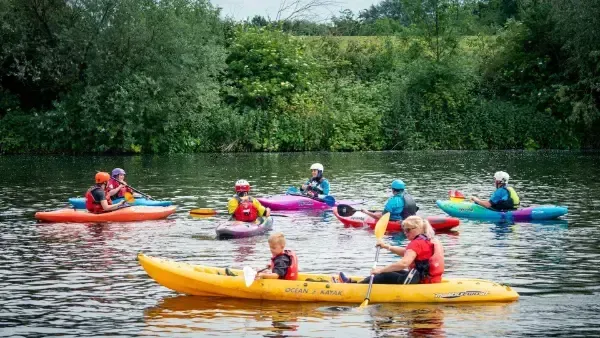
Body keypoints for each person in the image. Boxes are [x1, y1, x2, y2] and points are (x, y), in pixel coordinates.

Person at [338, 216, 444, 284]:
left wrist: (381, 270)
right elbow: (406, 252)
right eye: (404, 230)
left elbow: (404, 263)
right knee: (391, 271)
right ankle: (358, 282)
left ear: (418, 229)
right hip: (424, 277)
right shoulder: (425, 240)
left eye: (408, 230)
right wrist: (387, 246)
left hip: (420, 279)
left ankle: (354, 287)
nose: (405, 233)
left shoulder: (416, 243)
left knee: (383, 275)